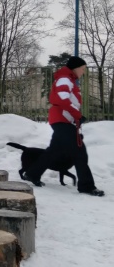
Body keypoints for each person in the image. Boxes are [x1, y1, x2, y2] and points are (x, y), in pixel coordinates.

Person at [23, 56, 104, 196]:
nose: (83, 72)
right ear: (75, 68)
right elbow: (62, 99)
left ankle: (32, 174)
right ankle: (86, 186)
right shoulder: (65, 78)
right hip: (62, 120)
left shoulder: (68, 79)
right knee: (80, 153)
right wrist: (76, 115)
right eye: (82, 69)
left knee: (53, 152)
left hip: (62, 120)